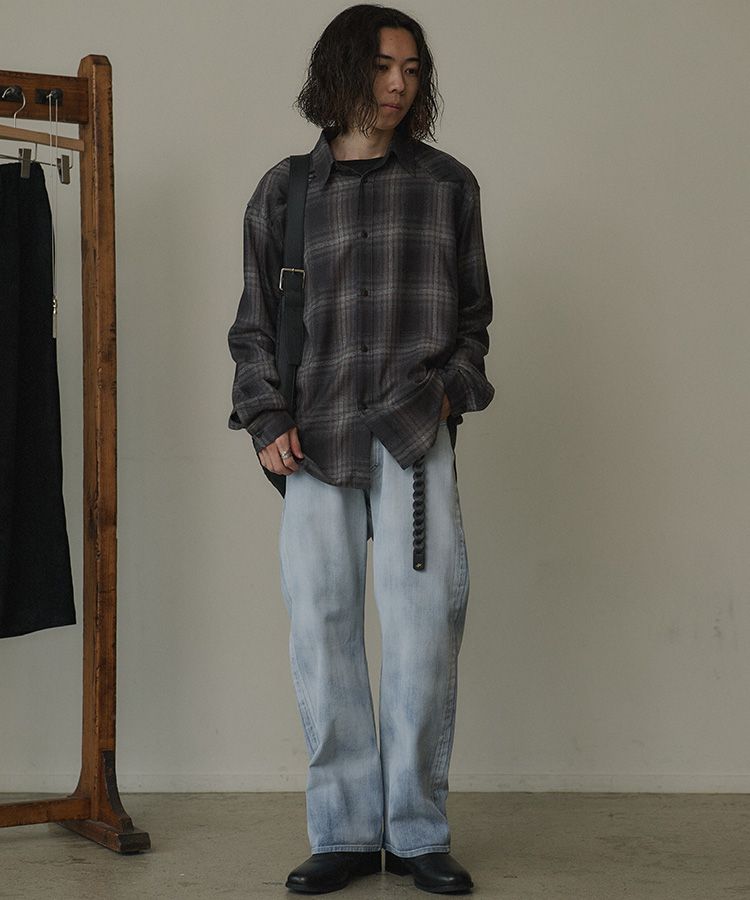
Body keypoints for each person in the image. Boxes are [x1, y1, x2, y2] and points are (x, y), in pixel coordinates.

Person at [228, 4, 494, 894]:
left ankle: (416, 833)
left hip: (414, 436)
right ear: (342, 70)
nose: (399, 84)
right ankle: (344, 832)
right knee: (322, 628)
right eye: (383, 66)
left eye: (413, 70)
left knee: (424, 635)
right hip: (314, 439)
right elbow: (254, 326)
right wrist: (265, 417)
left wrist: (448, 393)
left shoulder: (449, 186)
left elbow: (474, 325)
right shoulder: (284, 193)